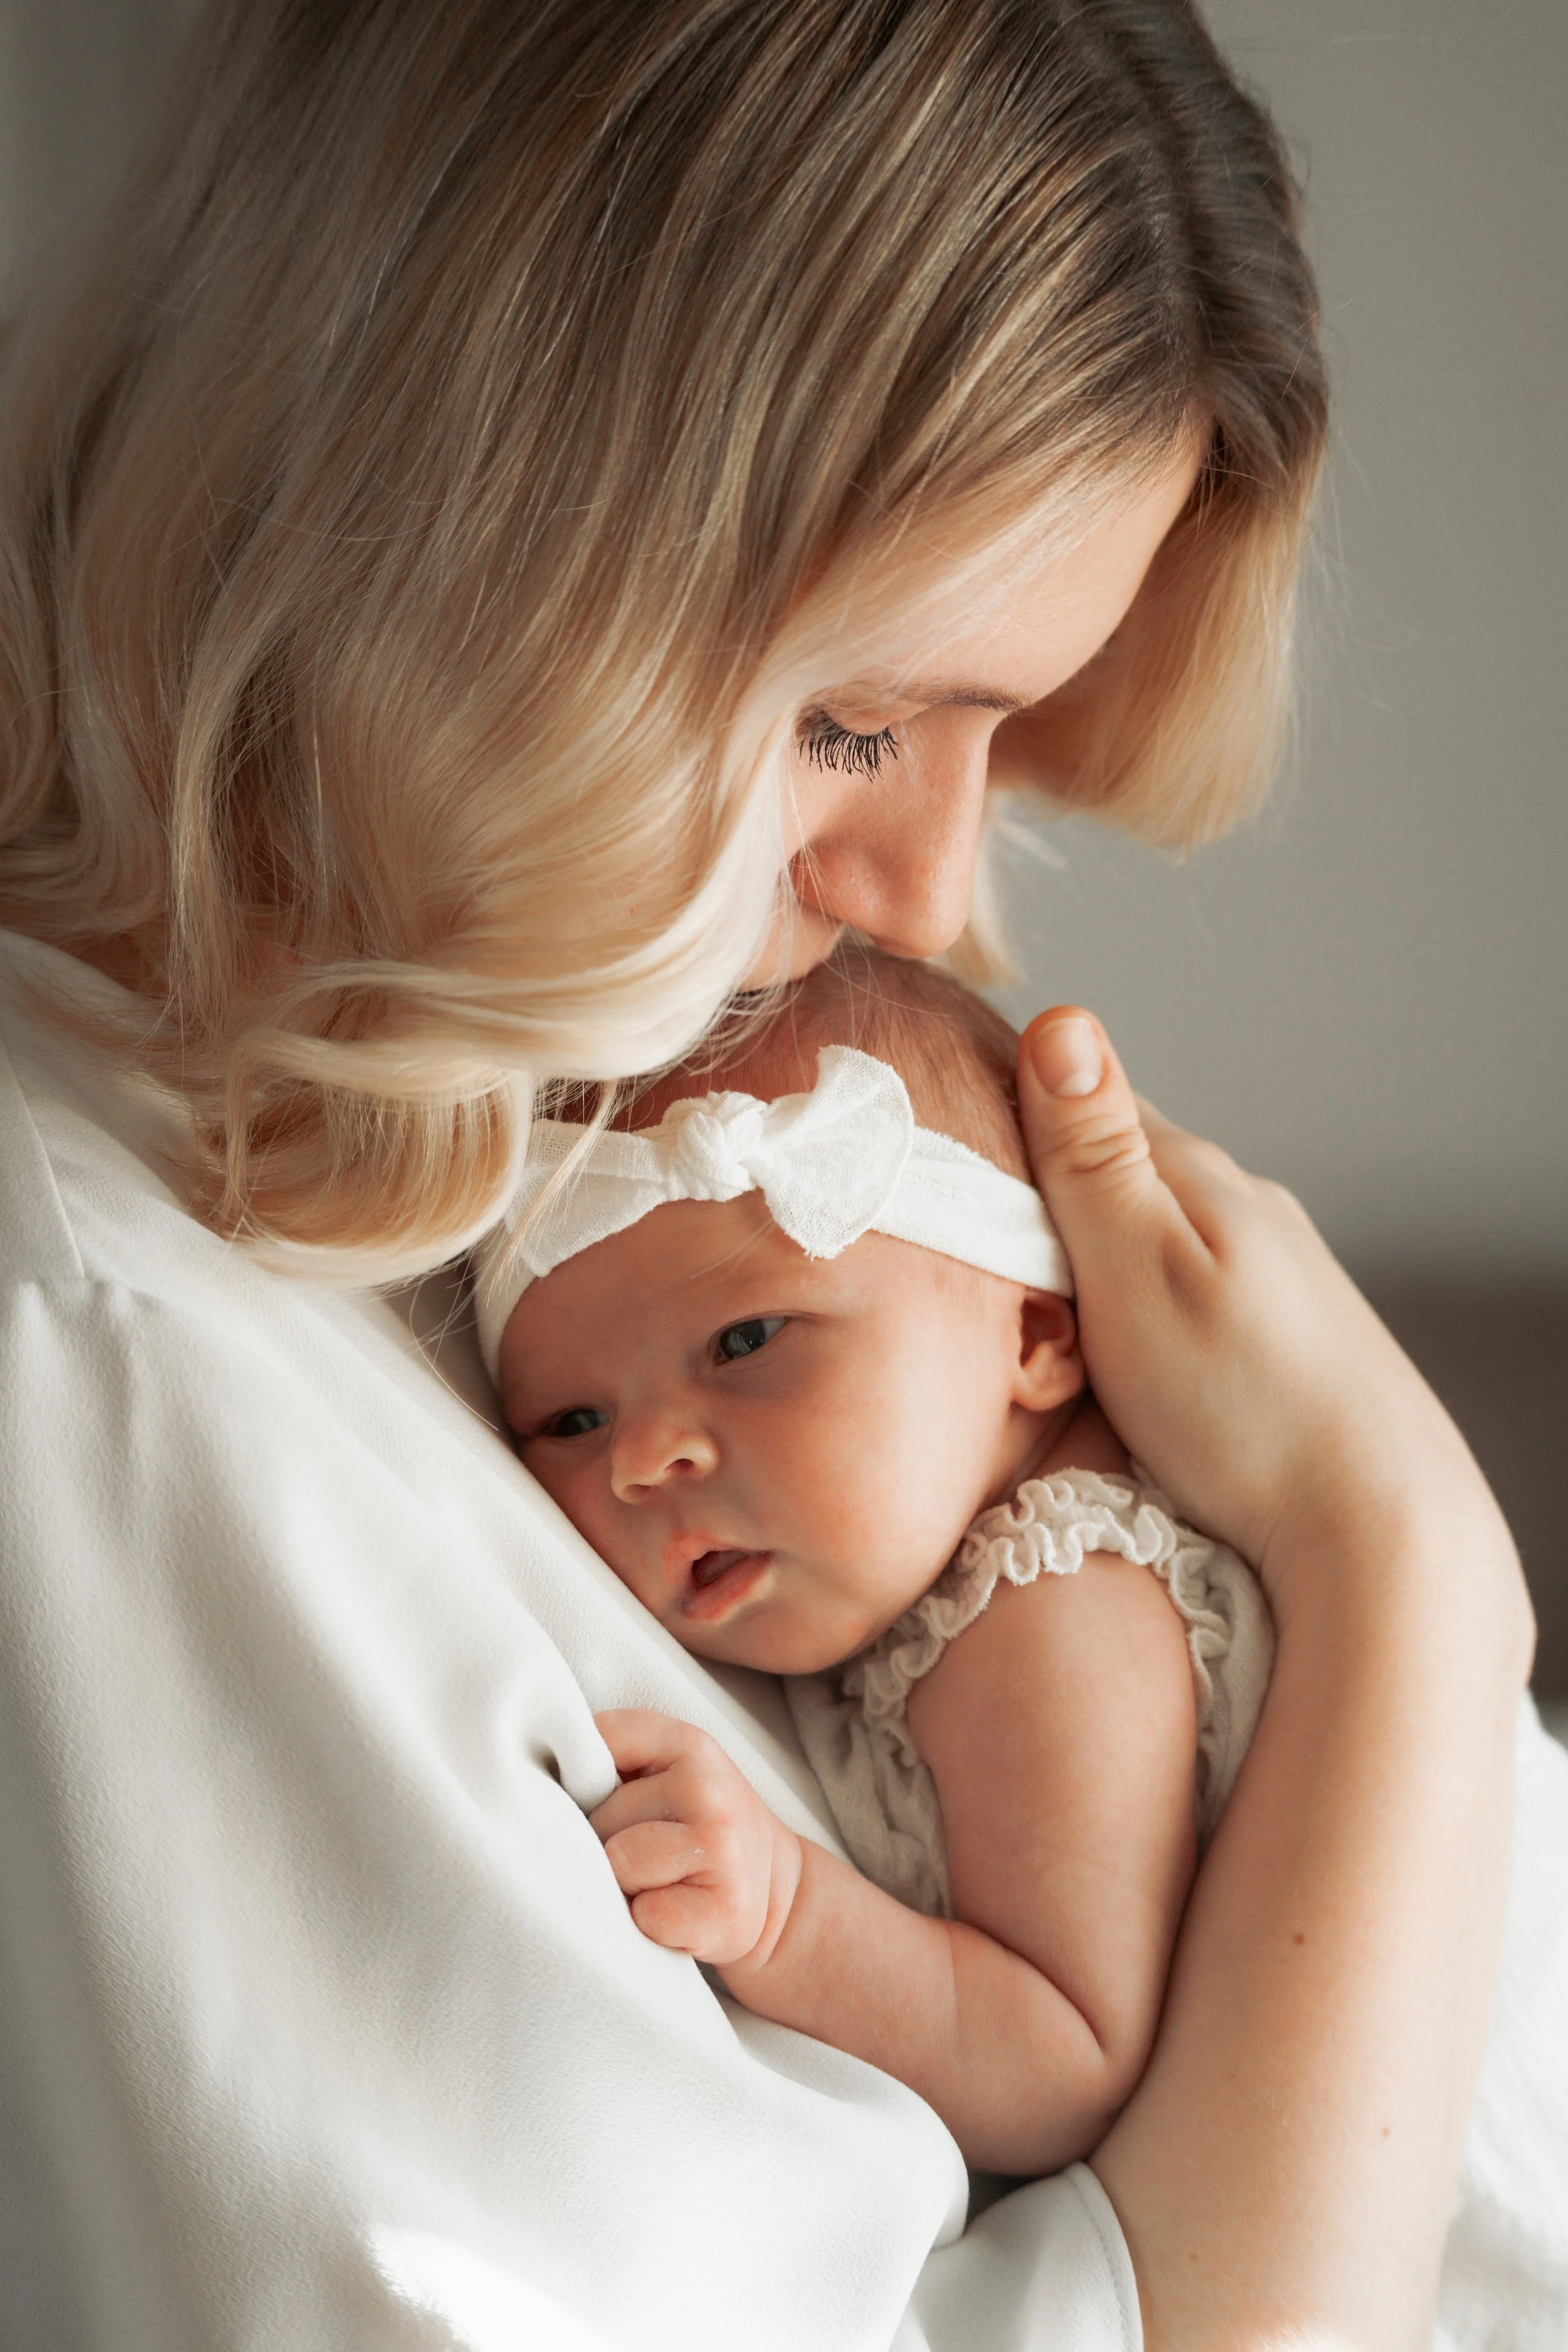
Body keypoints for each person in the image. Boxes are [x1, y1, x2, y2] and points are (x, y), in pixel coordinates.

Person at [0, 1, 1547, 2346]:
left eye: (988, 734)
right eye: (854, 721)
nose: (930, 893)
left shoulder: (525, 1147)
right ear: (483, 536)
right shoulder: (110, 1360)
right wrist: (1411, 1571)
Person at [483, 950, 1273, 2179]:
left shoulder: (1052, 1602)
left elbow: (1063, 2058)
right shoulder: (905, 1577)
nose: (643, 1459)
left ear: (1035, 1334)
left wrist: (788, 1913)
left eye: (745, 1339)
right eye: (571, 1423)